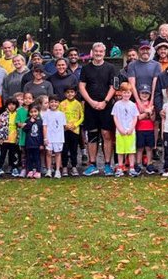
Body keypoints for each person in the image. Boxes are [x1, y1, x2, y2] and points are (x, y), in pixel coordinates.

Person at [79, 42, 117, 175]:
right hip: (91, 107)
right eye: (96, 51)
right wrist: (90, 101)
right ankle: (92, 164)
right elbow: (82, 86)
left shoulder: (111, 68)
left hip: (106, 106)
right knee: (92, 135)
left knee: (107, 134)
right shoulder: (85, 68)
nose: (98, 54)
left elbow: (114, 86)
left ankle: (107, 165)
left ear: (104, 53)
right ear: (92, 52)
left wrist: (105, 101)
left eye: (101, 51)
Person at [111, 82, 139, 177]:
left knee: (131, 151)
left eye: (128, 92)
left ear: (131, 93)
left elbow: (135, 117)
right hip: (120, 132)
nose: (126, 94)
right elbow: (115, 117)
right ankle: (120, 167)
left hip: (131, 132)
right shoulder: (117, 105)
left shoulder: (133, 105)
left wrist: (131, 128)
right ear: (121, 93)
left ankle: (131, 167)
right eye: (124, 92)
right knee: (120, 151)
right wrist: (120, 129)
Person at [58, 84, 84, 174]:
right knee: (64, 149)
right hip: (64, 130)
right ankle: (64, 167)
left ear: (75, 93)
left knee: (74, 149)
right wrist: (64, 125)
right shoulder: (62, 104)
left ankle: (74, 166)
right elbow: (59, 116)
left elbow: (82, 117)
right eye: (68, 92)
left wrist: (76, 124)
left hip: (75, 130)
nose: (70, 94)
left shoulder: (78, 104)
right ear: (65, 94)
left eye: (72, 92)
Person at [42, 95, 67, 178]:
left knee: (57, 153)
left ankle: (57, 170)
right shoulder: (46, 114)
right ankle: (49, 170)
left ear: (58, 103)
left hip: (58, 138)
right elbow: (44, 126)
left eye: (56, 102)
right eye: (51, 102)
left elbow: (63, 126)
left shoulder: (61, 114)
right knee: (48, 153)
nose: (53, 104)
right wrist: (45, 138)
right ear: (49, 103)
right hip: (49, 137)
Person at [22, 104, 45, 179]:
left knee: (37, 158)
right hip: (29, 144)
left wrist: (42, 144)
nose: (33, 114)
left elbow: (42, 134)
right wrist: (30, 123)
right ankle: (30, 171)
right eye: (31, 112)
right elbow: (25, 130)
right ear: (29, 113)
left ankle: (38, 171)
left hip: (37, 144)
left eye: (35, 111)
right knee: (29, 158)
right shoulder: (27, 121)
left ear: (38, 112)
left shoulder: (40, 121)